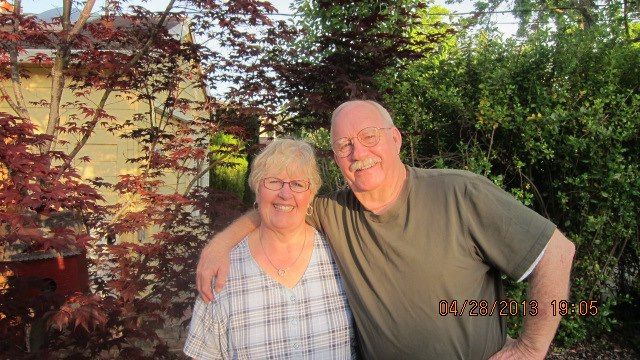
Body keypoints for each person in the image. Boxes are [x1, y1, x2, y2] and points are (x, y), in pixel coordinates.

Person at [195, 100, 576, 360]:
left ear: (395, 140)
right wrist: (220, 244)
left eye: (369, 138)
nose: (358, 154)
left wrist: (530, 349)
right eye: (344, 145)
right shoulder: (334, 212)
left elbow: (557, 251)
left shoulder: (460, 192)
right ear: (335, 159)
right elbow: (279, 206)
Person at [184, 139, 358, 359]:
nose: (285, 194)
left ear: (311, 194)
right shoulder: (222, 272)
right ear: (257, 190)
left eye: (297, 184)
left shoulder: (339, 256)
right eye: (274, 182)